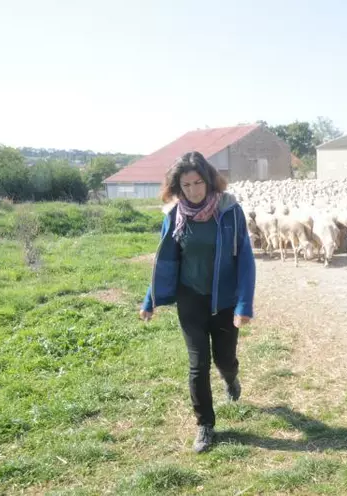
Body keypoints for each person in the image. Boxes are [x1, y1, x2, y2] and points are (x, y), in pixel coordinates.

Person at [139, 151, 256, 453]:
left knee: (224, 359)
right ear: (177, 187)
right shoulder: (174, 216)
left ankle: (231, 379)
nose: (193, 190)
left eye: (198, 182)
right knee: (197, 364)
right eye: (186, 185)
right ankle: (205, 424)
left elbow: (245, 259)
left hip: (225, 300)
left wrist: (244, 305)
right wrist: (150, 300)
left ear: (209, 180)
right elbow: (164, 261)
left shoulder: (230, 211)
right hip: (190, 298)